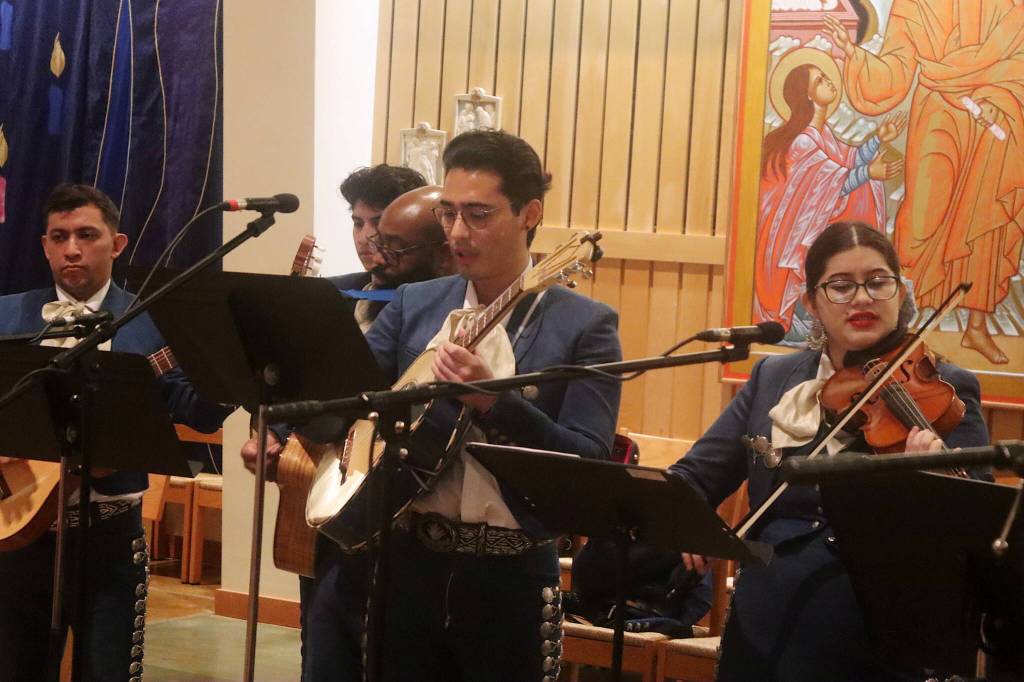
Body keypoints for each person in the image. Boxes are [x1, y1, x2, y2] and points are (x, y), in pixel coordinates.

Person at [670, 221, 990, 681]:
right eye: (841, 286)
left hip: (880, 628)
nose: (862, 298)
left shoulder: (944, 388)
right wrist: (689, 525)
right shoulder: (773, 380)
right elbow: (695, 476)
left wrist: (925, 484)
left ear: (900, 292)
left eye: (878, 281)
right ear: (812, 304)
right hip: (768, 625)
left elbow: (979, 522)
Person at [0, 184, 231, 682]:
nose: (72, 249)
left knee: (108, 671)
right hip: (16, 529)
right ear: (44, 245)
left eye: (87, 235)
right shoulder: (6, 315)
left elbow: (201, 412)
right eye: (59, 237)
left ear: (118, 243)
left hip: (108, 534)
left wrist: (230, 369)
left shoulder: (153, 321)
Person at [241, 184, 453, 682]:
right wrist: (269, 430)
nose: (369, 239)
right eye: (357, 223)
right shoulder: (333, 295)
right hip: (325, 500)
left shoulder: (434, 305)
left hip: (405, 517)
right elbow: (284, 379)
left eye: (381, 225)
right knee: (322, 654)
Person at [824, 6, 1024, 364]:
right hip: (937, 110)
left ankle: (976, 326)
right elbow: (897, 65)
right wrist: (855, 55)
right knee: (922, 218)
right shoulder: (915, 4)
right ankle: (908, 323)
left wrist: (998, 99)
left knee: (985, 221)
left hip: (992, 114)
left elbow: (1017, 57)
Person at [754, 46, 905, 331]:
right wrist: (869, 173)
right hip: (792, 238)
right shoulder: (802, 142)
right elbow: (827, 183)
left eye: (826, 75)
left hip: (815, 233)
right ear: (808, 95)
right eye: (820, 80)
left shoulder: (824, 136)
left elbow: (846, 162)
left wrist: (876, 142)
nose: (829, 81)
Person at [329, 164, 427, 331]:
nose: (364, 237)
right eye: (358, 223)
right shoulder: (337, 291)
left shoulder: (433, 300)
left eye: (379, 222)